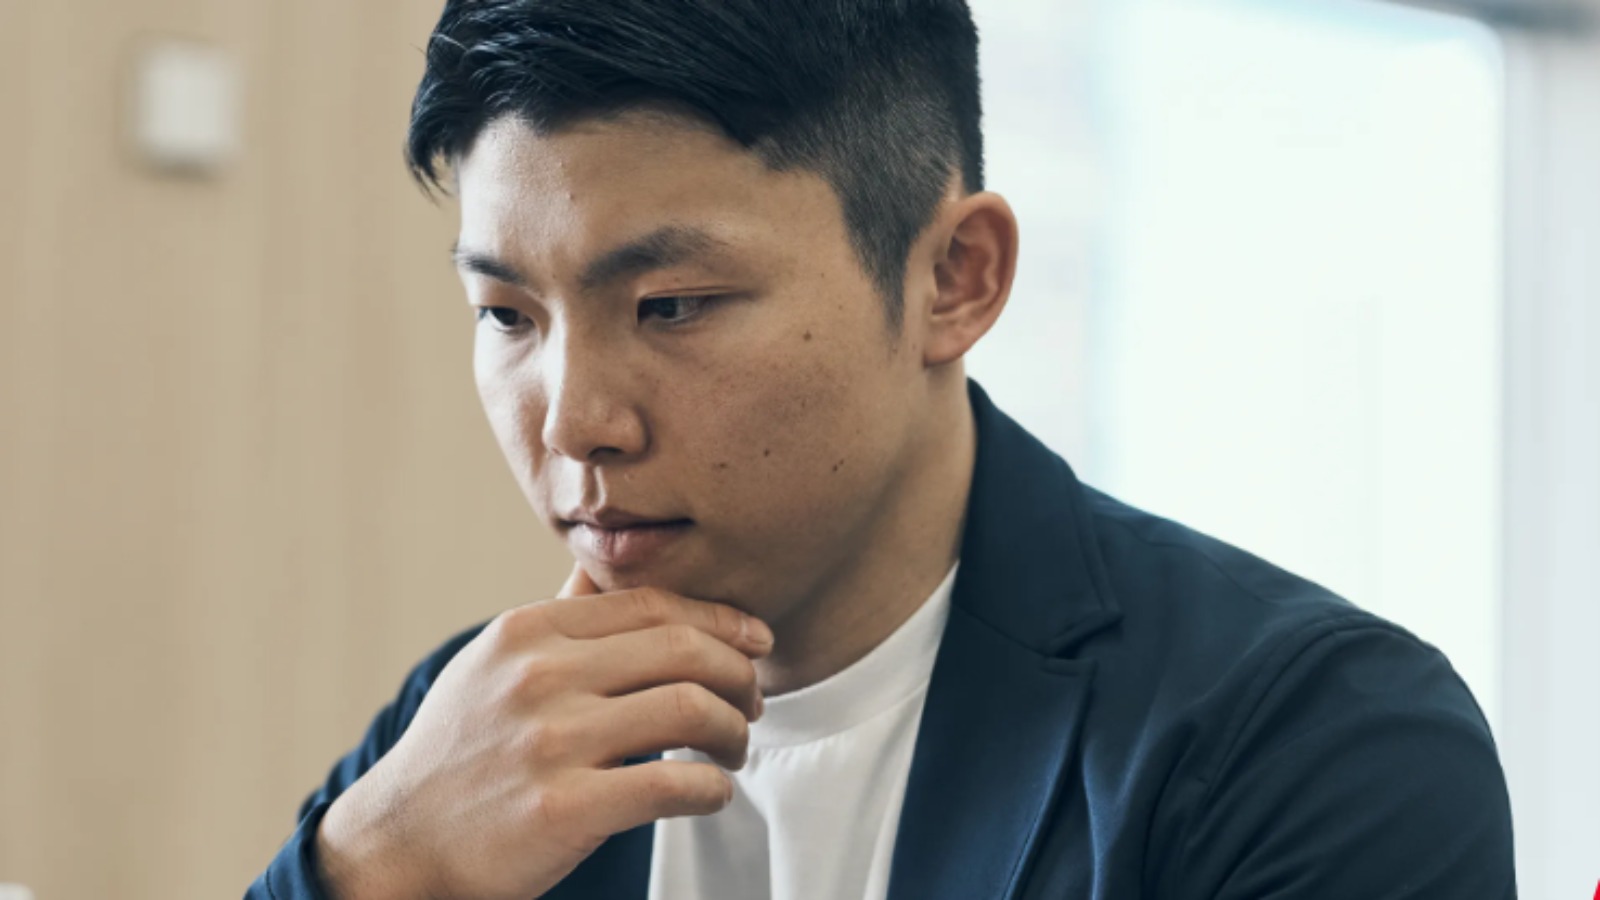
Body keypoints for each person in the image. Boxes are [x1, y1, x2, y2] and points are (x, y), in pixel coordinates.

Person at [247, 1, 1516, 897]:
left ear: (955, 277)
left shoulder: (1309, 745)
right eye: (506, 316)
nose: (576, 422)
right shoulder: (471, 731)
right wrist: (370, 867)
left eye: (672, 306)